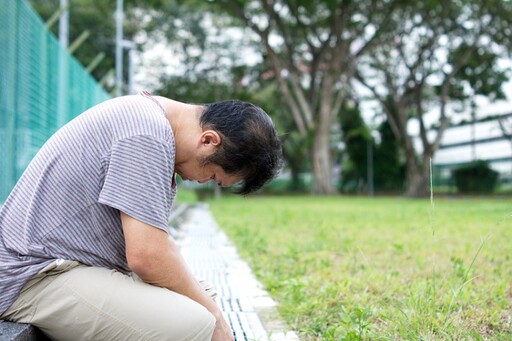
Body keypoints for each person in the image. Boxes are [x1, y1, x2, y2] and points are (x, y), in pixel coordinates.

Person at [0, 90, 283, 341]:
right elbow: (146, 255)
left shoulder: (149, 122)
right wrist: (217, 321)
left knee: (204, 297)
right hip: (32, 275)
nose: (202, 181)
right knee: (198, 324)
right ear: (209, 141)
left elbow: (154, 248)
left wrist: (212, 313)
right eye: (212, 176)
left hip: (67, 266)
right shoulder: (146, 135)